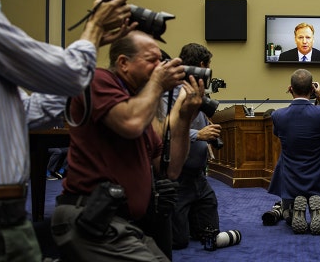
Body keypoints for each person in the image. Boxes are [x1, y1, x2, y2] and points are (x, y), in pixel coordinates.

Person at [0, 0, 133, 262]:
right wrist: (93, 27)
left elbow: (29, 112)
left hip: (8, 211)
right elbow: (70, 74)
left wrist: (91, 46)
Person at [50, 30, 205, 262]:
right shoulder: (98, 80)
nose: (159, 67)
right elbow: (130, 123)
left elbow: (171, 169)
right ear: (123, 63)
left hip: (122, 223)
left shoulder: (140, 110)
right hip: (90, 217)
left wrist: (184, 117)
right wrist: (158, 84)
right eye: (152, 60)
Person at [162, 43, 240, 251]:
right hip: (177, 179)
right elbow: (163, 129)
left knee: (210, 232)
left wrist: (208, 134)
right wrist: (199, 135)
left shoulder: (197, 92)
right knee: (178, 242)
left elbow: (196, 123)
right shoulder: (170, 91)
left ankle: (188, 220)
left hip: (198, 178)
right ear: (202, 65)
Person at [267, 69, 320, 235]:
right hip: (319, 178)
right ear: (312, 90)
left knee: (288, 219)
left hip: (291, 178)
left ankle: (293, 209)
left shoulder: (278, 115)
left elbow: (276, 133)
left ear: (290, 89)